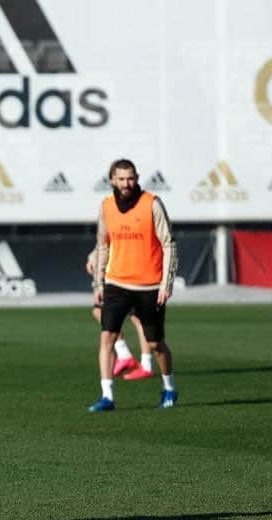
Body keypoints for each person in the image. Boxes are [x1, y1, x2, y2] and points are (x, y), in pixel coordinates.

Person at [89, 159, 178, 412]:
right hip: (116, 282)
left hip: (149, 285)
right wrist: (99, 282)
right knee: (107, 336)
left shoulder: (152, 203)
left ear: (137, 178)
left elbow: (168, 243)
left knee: (154, 344)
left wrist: (166, 283)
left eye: (131, 178)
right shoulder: (106, 207)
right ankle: (107, 396)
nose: (126, 183)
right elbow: (102, 245)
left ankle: (169, 387)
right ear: (112, 180)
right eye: (121, 179)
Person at [86, 249, 154, 380]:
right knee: (101, 311)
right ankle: (129, 357)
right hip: (120, 271)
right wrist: (93, 257)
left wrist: (94, 258)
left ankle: (140, 363)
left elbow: (110, 241)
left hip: (124, 272)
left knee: (137, 319)